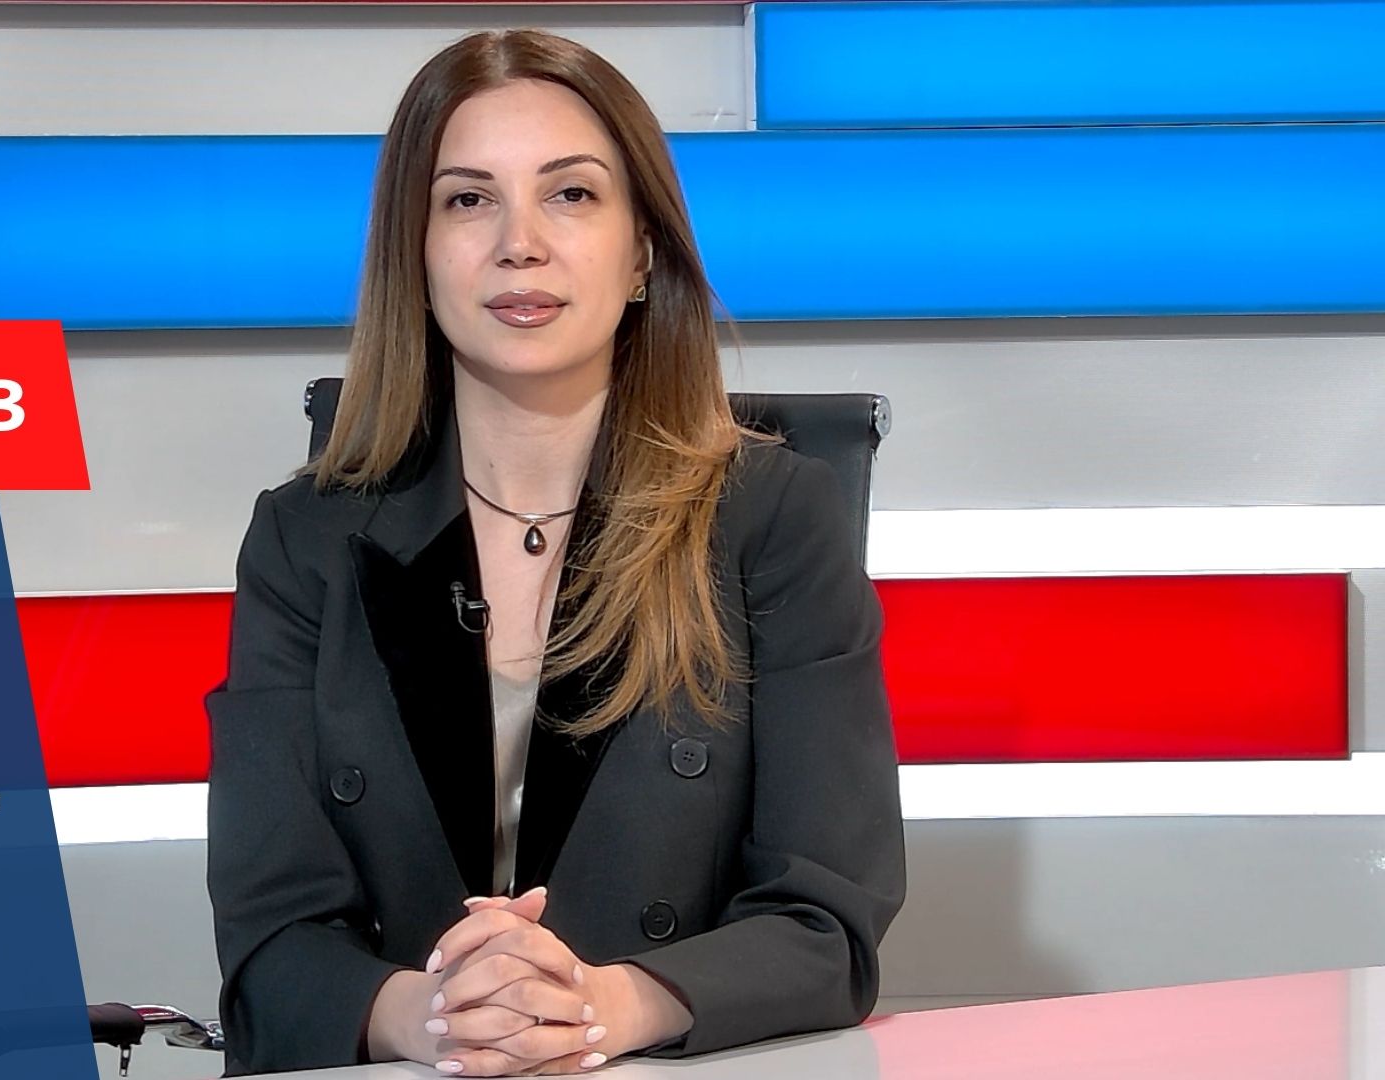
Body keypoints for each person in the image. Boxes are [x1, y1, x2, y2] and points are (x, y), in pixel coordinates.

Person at [204, 28, 905, 1078]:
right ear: (415, 256)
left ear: (642, 253)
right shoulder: (303, 541)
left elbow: (826, 924)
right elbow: (270, 945)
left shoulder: (772, 517)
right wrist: (434, 1017)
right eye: (467, 200)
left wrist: (598, 1007)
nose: (519, 243)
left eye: (570, 194)